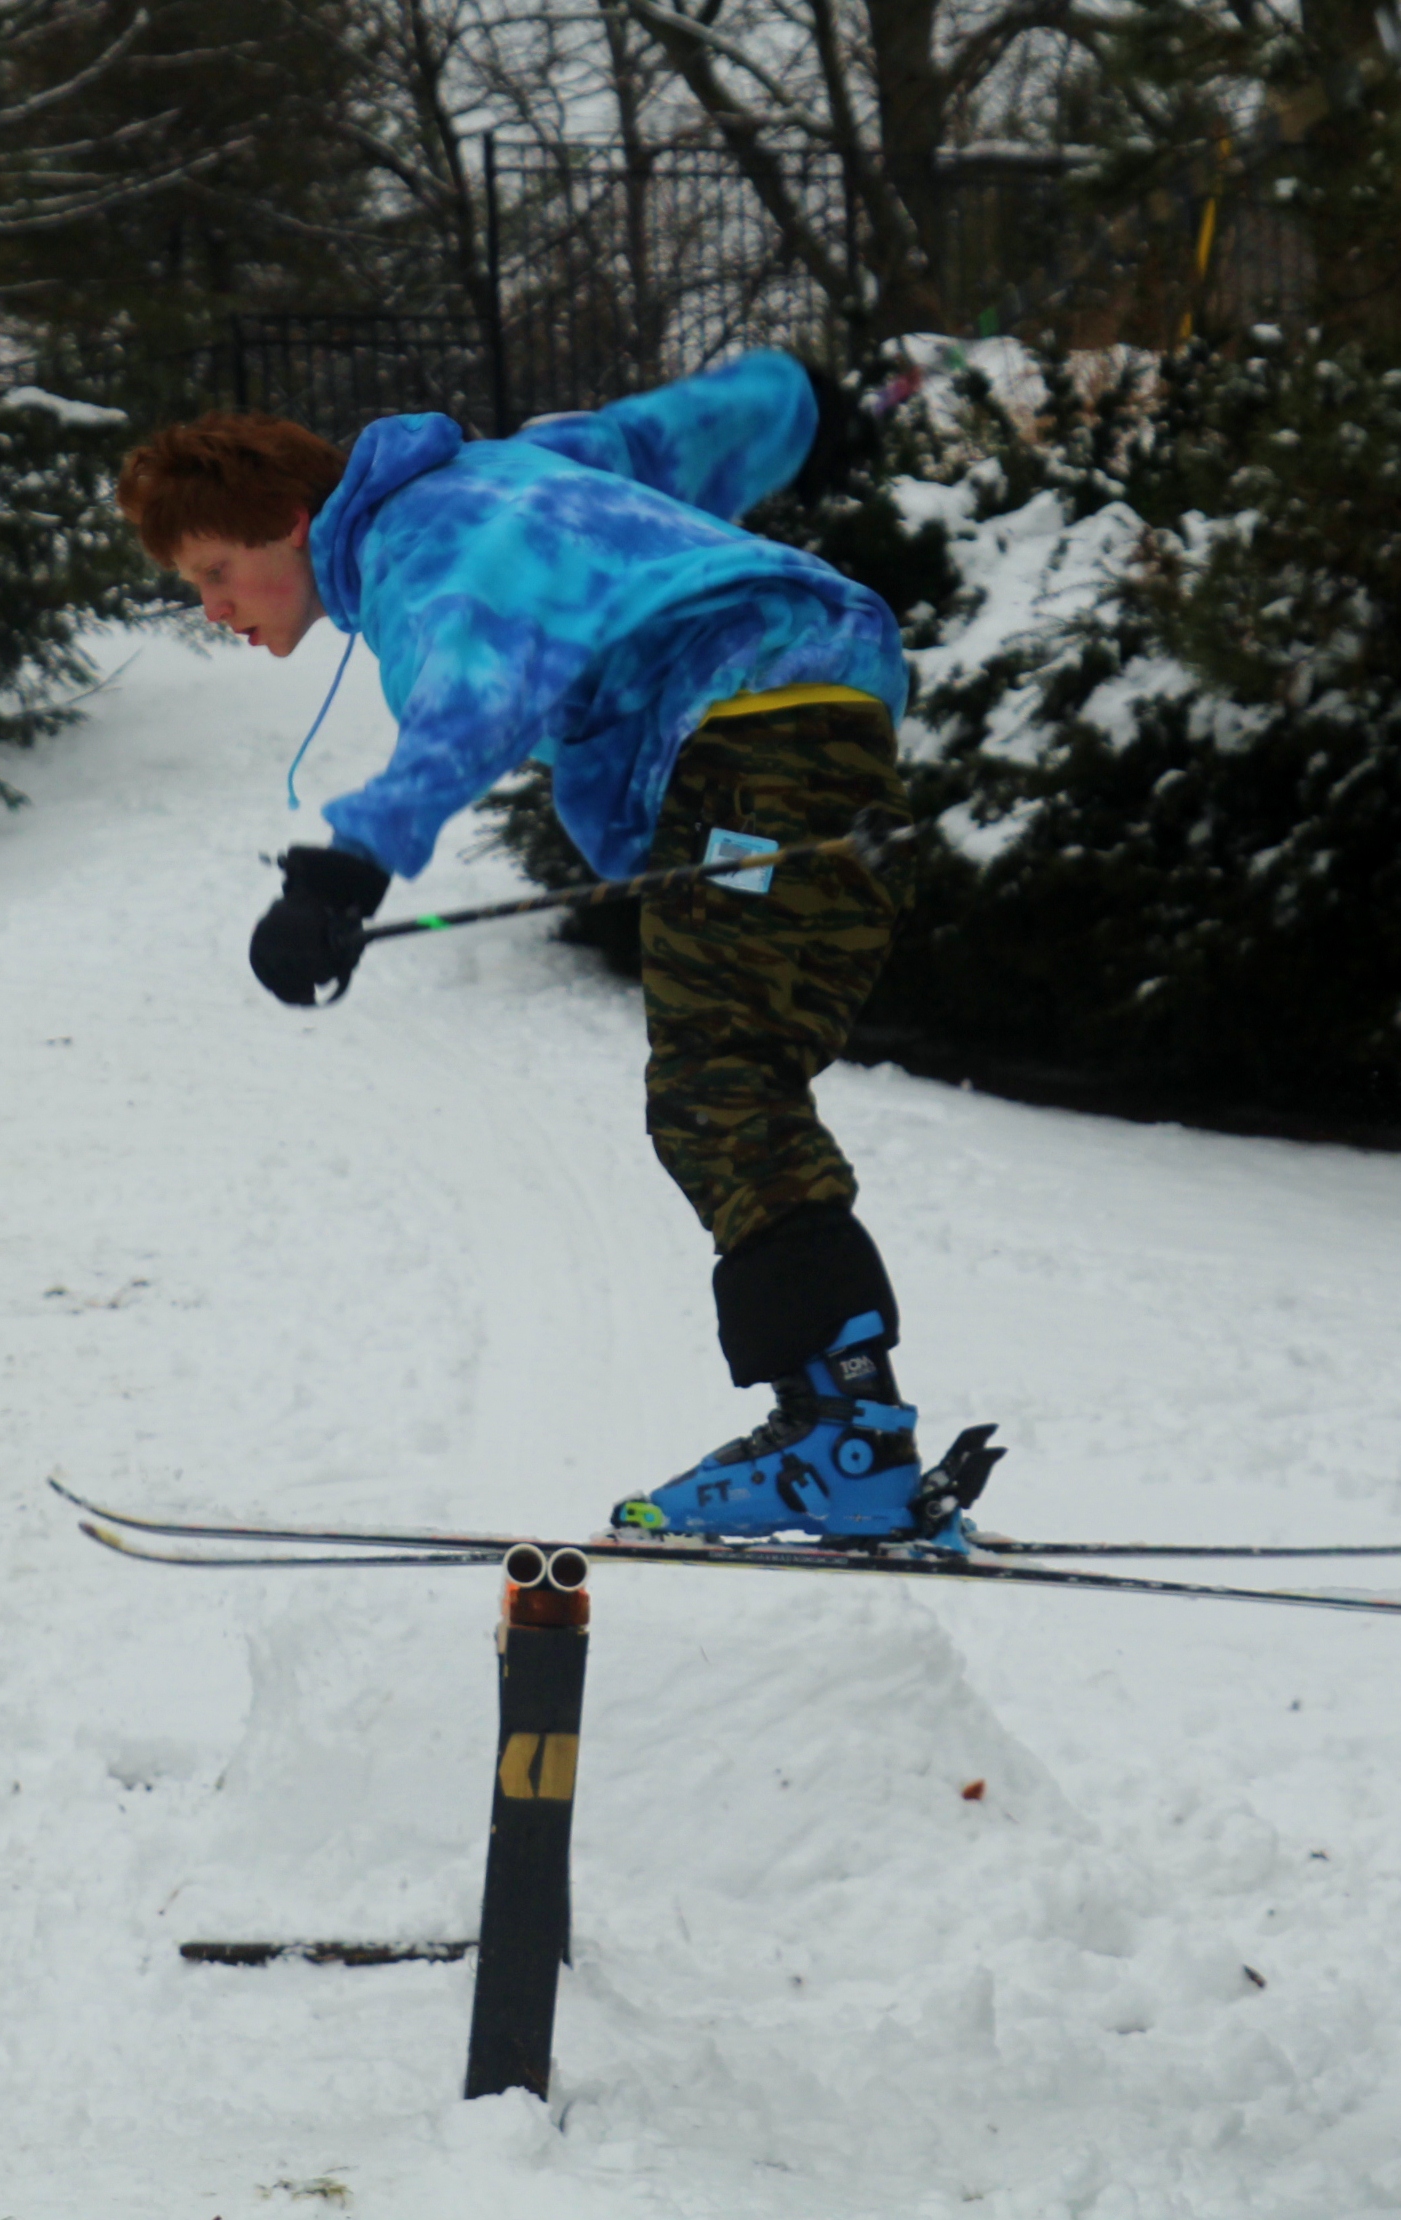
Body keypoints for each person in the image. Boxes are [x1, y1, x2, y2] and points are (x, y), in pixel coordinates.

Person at [114, 351, 973, 1548]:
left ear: (293, 523)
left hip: (752, 722)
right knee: (727, 1075)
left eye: (216, 571)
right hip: (800, 701)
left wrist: (343, 871)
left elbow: (475, 690)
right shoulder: (511, 469)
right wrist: (806, 410)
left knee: (720, 1084)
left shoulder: (424, 550)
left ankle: (849, 1443)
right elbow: (658, 438)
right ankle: (842, 1429)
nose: (213, 607)